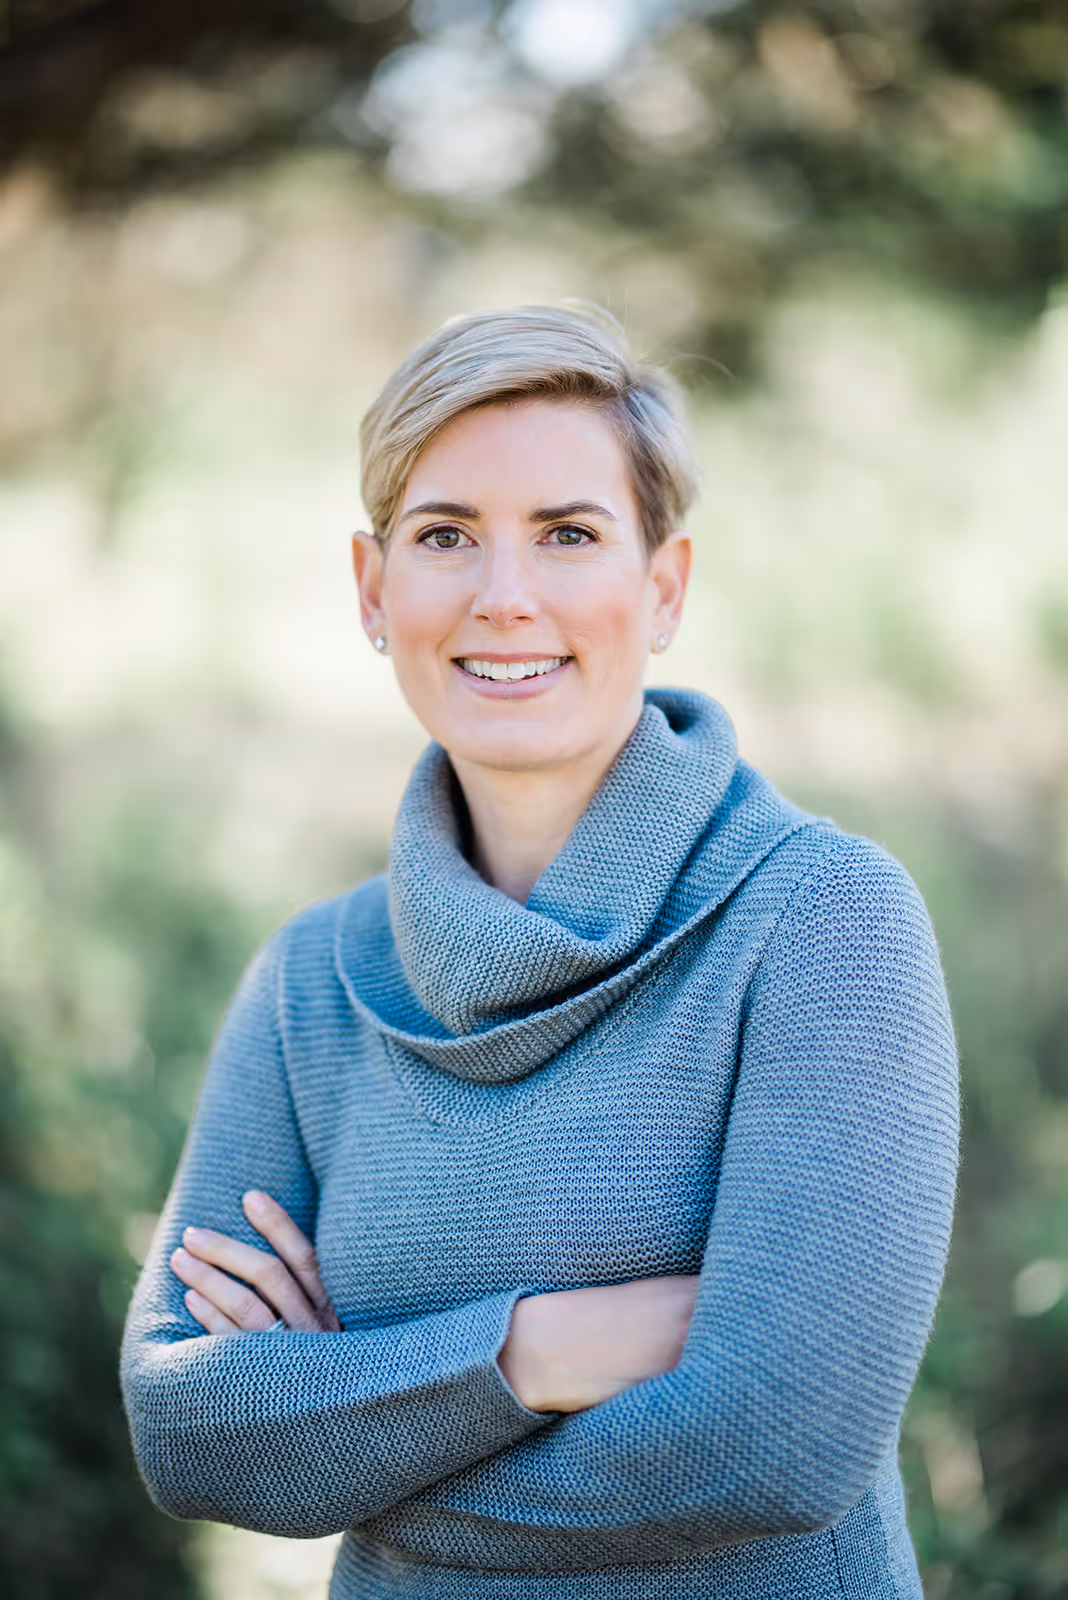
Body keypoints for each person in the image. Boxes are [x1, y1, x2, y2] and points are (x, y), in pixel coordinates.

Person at [120, 303, 961, 1599]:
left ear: (662, 586)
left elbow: (781, 1447)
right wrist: (531, 1355)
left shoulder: (822, 919)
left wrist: (359, 1438)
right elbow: (189, 1432)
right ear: (372, 588)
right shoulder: (310, 981)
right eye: (446, 536)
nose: (504, 599)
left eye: (568, 535)